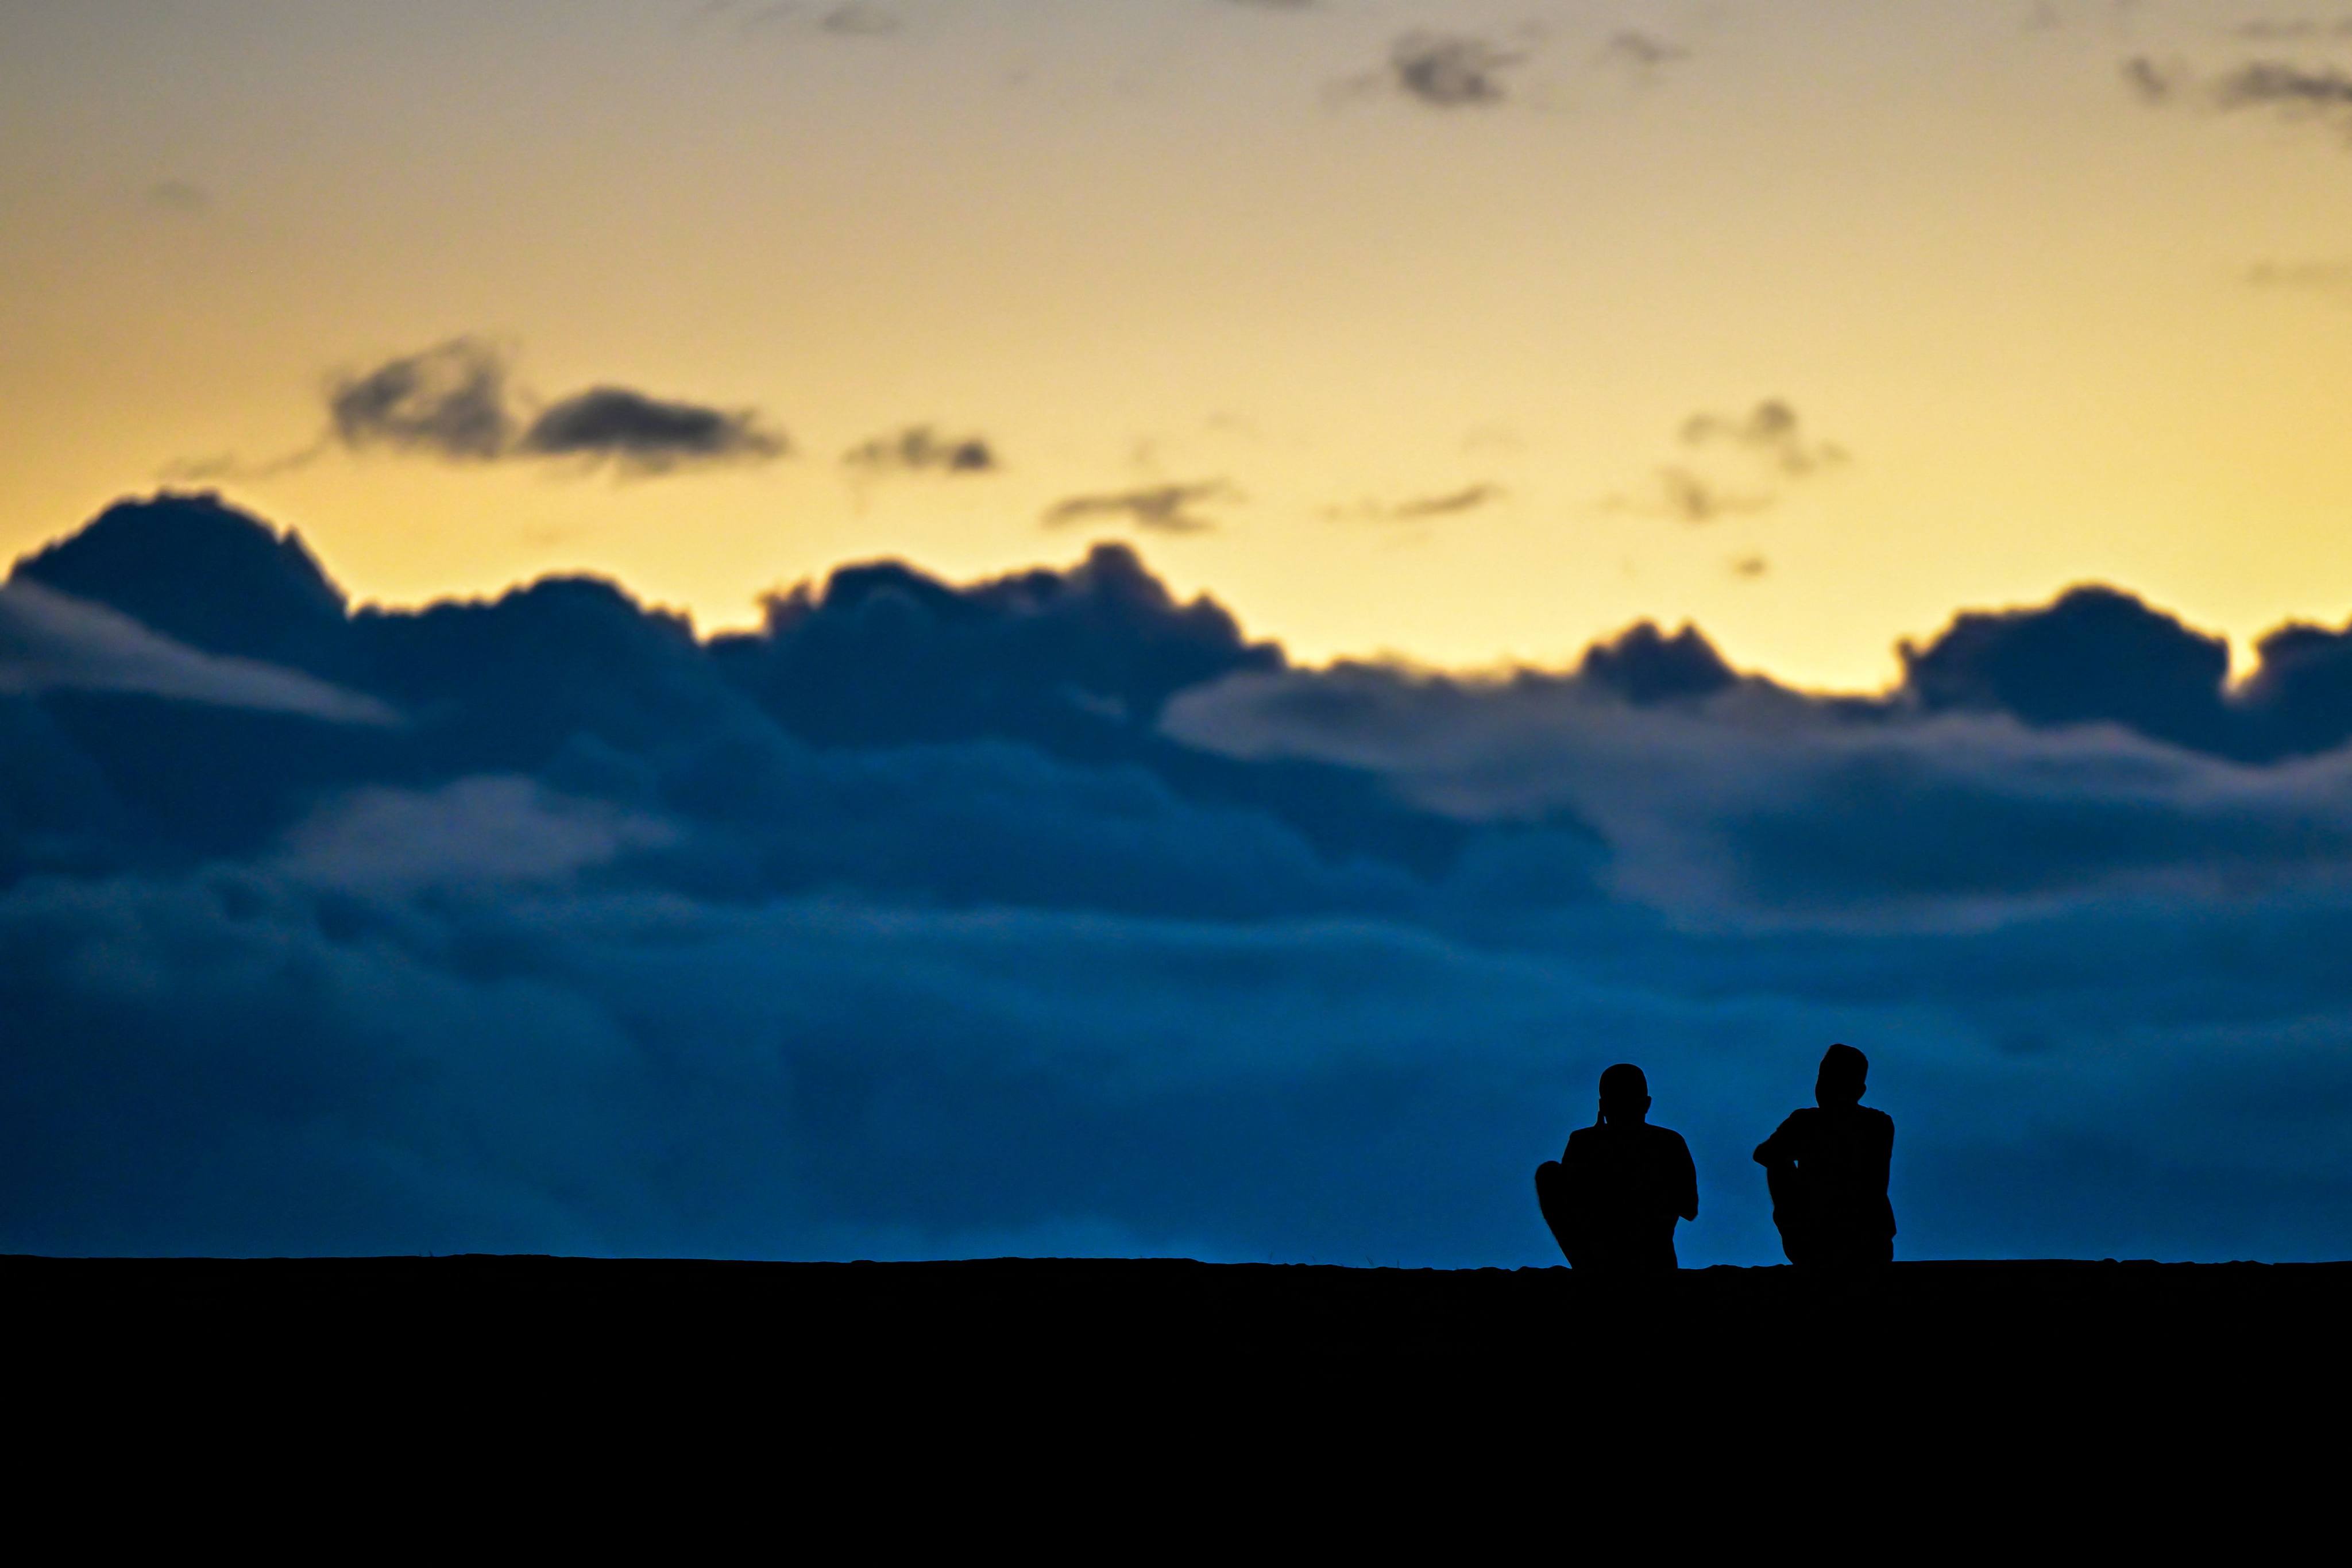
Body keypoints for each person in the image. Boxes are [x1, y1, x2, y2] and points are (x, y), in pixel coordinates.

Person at [1535, 1063, 1699, 1271]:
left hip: (1651, 1255)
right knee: (1549, 1174)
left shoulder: (1667, 1142)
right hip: (1600, 1254)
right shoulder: (1585, 1142)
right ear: (1647, 1104)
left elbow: (1688, 1208)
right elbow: (1689, 1208)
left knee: (1550, 1174)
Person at [1753, 1043, 1895, 1267]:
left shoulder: (1807, 1122)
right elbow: (1763, 1154)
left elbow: (1765, 1154)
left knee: (1778, 1164)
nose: (1822, 1087)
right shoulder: (1879, 1124)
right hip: (1869, 1240)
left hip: (1828, 1237)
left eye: (1830, 1079)